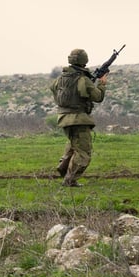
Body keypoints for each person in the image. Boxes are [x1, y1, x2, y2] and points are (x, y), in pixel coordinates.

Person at [50, 48, 108, 187]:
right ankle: (70, 180)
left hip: (64, 119)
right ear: (84, 61)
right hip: (79, 120)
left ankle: (63, 169)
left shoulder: (59, 79)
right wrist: (102, 83)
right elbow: (98, 97)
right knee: (83, 152)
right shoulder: (83, 79)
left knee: (73, 147)